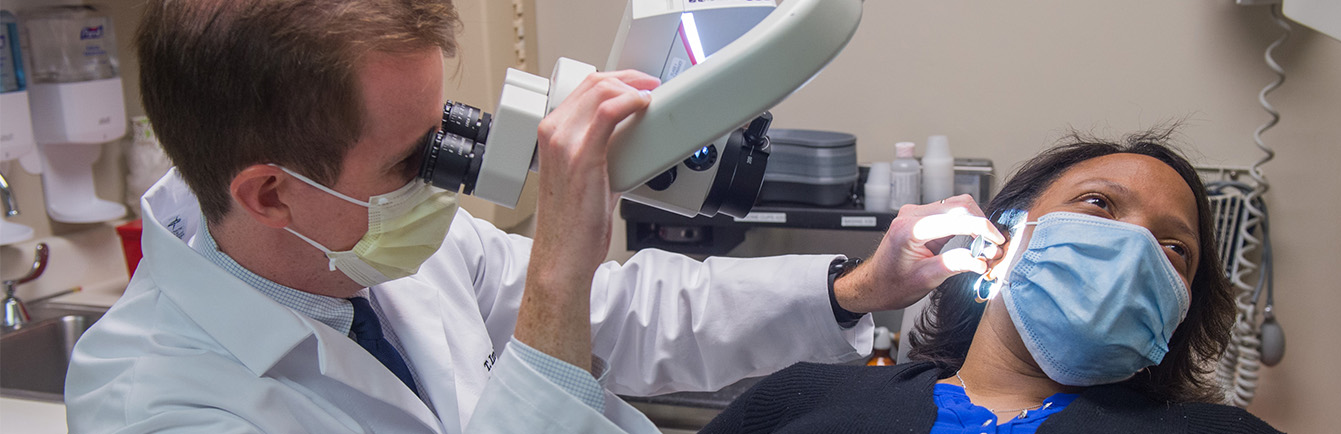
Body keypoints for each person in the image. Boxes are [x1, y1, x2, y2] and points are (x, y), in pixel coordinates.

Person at [62, 1, 1003, 432]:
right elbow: (565, 312)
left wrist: (859, 286)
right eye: (411, 156)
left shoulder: (383, 245)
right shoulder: (151, 403)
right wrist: (557, 266)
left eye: (447, 132)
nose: (446, 177)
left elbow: (627, 316)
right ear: (269, 191)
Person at [701, 129, 1283, 434]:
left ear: (1180, 308)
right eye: (1099, 203)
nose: (1134, 247)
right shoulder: (800, 399)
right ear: (1001, 235)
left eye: (1174, 248)